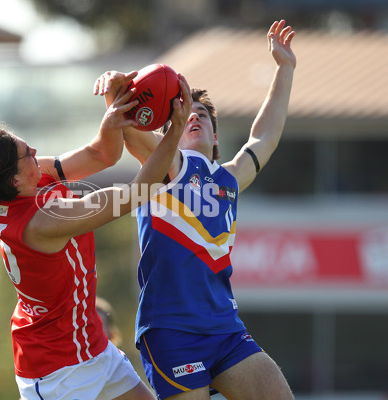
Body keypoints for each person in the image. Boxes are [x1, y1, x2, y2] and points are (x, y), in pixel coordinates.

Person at [0, 78, 192, 400]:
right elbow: (137, 192)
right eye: (28, 153)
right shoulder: (42, 221)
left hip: (91, 345)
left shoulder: (29, 179)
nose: (36, 152)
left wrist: (113, 112)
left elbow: (101, 154)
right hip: (57, 373)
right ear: (14, 177)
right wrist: (174, 132)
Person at [93, 20, 296, 399]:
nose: (195, 116)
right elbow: (129, 129)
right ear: (170, 129)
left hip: (225, 328)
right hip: (171, 330)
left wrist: (285, 69)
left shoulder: (229, 179)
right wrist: (117, 92)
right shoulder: (165, 166)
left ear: (215, 137)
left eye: (203, 114)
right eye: (186, 114)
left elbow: (264, 136)